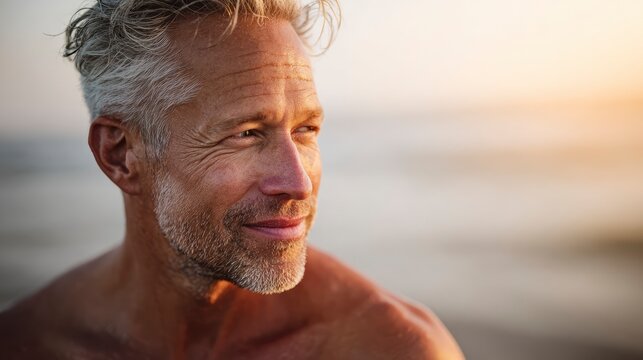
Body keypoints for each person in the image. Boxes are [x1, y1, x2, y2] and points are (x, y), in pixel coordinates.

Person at [0, 1, 463, 358]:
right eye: (246, 134)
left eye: (305, 129)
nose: (298, 182)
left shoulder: (387, 346)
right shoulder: (26, 344)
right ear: (120, 154)